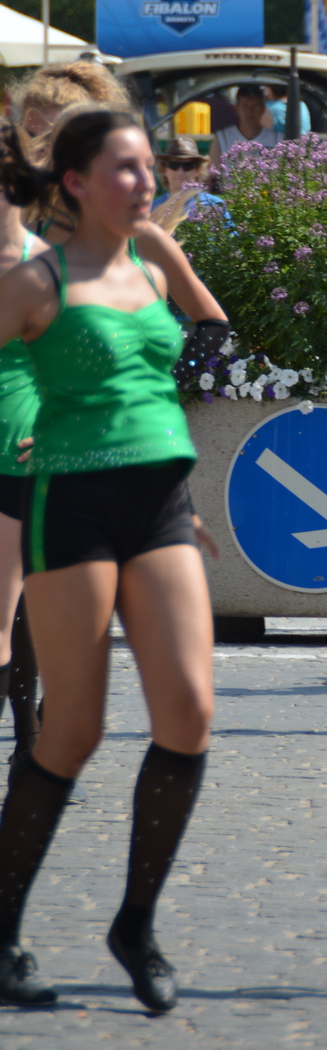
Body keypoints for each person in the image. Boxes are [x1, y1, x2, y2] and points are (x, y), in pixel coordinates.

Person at [0, 108, 224, 1012]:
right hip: (73, 506)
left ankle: (136, 923)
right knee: (74, 729)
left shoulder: (155, 256)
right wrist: (35, 416)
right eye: (126, 170)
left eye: (148, 169)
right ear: (77, 184)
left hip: (162, 506)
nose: (145, 183)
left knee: (191, 714)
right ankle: (5, 925)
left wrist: (165, 429)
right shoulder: (34, 282)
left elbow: (207, 332)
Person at [0, 199, 47, 772]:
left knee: (28, 608)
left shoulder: (45, 262)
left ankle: (33, 744)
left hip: (28, 453)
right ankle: (32, 748)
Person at [207, 84, 278, 169]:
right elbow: (213, 173)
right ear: (237, 109)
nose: (250, 111)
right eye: (245, 106)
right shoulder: (222, 138)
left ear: (262, 109)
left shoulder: (277, 139)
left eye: (255, 106)